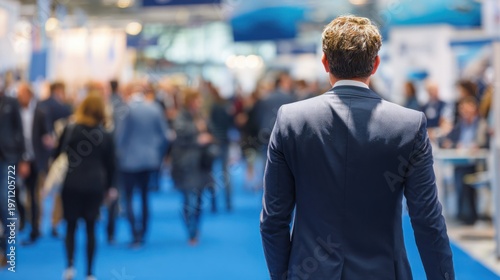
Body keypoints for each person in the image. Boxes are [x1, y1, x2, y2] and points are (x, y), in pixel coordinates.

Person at [260, 16, 455, 280]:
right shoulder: (408, 125)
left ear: (325, 62)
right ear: (375, 64)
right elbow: (427, 220)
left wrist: (283, 276)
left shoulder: (291, 120)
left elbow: (274, 219)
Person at [54, 93, 116, 280]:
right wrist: (111, 187)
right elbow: (111, 164)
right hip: (95, 185)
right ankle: (90, 273)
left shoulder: (70, 129)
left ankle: (70, 267)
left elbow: (58, 154)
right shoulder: (105, 134)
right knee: (91, 228)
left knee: (70, 226)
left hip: (72, 183)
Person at [115, 84, 168, 247]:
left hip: (129, 161)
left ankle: (134, 233)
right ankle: (143, 232)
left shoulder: (126, 110)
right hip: (149, 160)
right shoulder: (155, 109)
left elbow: (120, 136)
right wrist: (158, 154)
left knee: (129, 197)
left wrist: (117, 156)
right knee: (145, 196)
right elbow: (164, 135)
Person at [171, 88, 215, 245]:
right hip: (186, 165)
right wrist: (198, 136)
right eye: (197, 101)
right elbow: (180, 136)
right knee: (189, 199)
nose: (199, 104)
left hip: (202, 164)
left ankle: (195, 227)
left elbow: (211, 133)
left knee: (198, 200)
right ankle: (191, 231)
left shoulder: (202, 116)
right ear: (190, 102)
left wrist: (207, 136)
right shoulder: (181, 117)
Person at [441, 97, 489, 225]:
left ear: (474, 109)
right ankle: (462, 214)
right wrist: (454, 145)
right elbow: (448, 140)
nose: (465, 112)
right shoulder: (459, 125)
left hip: (476, 163)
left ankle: (469, 215)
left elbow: (485, 143)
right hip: (460, 161)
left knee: (465, 179)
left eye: (468, 108)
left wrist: (477, 146)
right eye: (463, 109)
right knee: (458, 178)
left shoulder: (481, 124)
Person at [16, 83, 51, 245]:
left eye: (23, 94)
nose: (20, 97)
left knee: (34, 195)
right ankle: (22, 218)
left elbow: (46, 135)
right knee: (14, 192)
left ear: (30, 95)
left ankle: (35, 228)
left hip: (35, 159)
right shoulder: (14, 112)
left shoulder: (40, 113)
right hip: (16, 158)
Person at [0, 88, 26, 268]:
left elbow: (20, 129)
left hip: (8, 159)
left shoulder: (11, 102)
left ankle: (7, 250)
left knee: (6, 203)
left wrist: (23, 158)